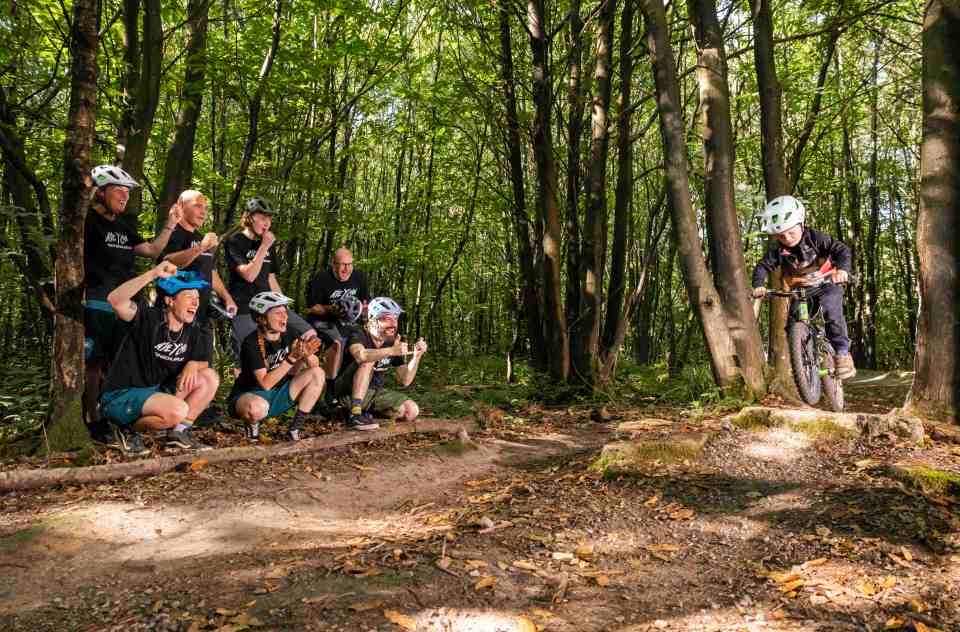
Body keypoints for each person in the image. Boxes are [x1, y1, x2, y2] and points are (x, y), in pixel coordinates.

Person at [84, 165, 184, 445]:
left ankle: (119, 418)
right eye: (119, 190)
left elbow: (152, 250)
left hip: (127, 304)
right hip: (96, 300)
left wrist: (171, 224)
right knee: (93, 364)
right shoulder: (86, 221)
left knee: (122, 361)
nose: (125, 197)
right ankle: (94, 419)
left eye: (128, 192)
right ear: (100, 192)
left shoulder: (123, 226)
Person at [100, 262, 220, 455]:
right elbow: (115, 300)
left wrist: (193, 364)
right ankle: (126, 430)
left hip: (156, 392)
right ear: (169, 301)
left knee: (209, 377)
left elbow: (204, 362)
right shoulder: (148, 318)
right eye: (189, 297)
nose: (195, 303)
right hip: (122, 395)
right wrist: (154, 273)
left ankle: (178, 435)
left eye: (197, 298)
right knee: (178, 410)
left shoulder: (193, 329)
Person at [751, 195, 856, 379]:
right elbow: (762, 266)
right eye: (781, 235)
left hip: (827, 283)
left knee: (832, 311)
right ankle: (802, 360)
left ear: (801, 223)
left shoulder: (816, 238)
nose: (787, 238)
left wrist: (843, 270)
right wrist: (758, 284)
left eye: (791, 232)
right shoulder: (778, 250)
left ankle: (842, 353)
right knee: (793, 322)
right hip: (801, 290)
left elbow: (842, 250)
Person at [224, 197, 316, 362]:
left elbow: (271, 278)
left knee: (309, 334)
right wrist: (264, 246)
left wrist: (283, 306)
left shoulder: (267, 244)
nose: (267, 223)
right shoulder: (235, 241)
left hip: (270, 306)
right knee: (252, 355)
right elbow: (249, 275)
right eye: (262, 217)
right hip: (245, 307)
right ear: (250, 217)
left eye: (270, 219)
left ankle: (288, 380)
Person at [228, 292, 326, 442]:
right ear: (261, 318)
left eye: (285, 312)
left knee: (317, 373)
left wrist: (306, 354)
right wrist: (292, 358)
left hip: (280, 393)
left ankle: (294, 429)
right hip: (250, 395)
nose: (285, 317)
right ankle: (252, 427)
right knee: (256, 408)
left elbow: (315, 366)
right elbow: (265, 384)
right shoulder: (251, 343)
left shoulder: (290, 333)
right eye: (278, 313)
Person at [333, 297, 427, 431]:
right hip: (346, 393)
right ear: (372, 320)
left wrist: (416, 357)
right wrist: (391, 351)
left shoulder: (391, 342)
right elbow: (361, 355)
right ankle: (354, 414)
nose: (393, 324)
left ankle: (361, 414)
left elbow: (405, 380)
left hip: (374, 394)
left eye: (395, 319)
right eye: (386, 319)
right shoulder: (358, 333)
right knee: (368, 359)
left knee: (410, 411)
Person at [305, 248, 371, 389]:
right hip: (323, 320)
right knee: (338, 341)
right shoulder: (320, 278)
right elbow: (311, 307)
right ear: (333, 264)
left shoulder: (359, 277)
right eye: (342, 264)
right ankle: (329, 385)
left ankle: (348, 386)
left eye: (349, 264)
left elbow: (365, 303)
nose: (346, 269)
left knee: (362, 340)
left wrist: (367, 322)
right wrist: (332, 309)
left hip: (349, 321)